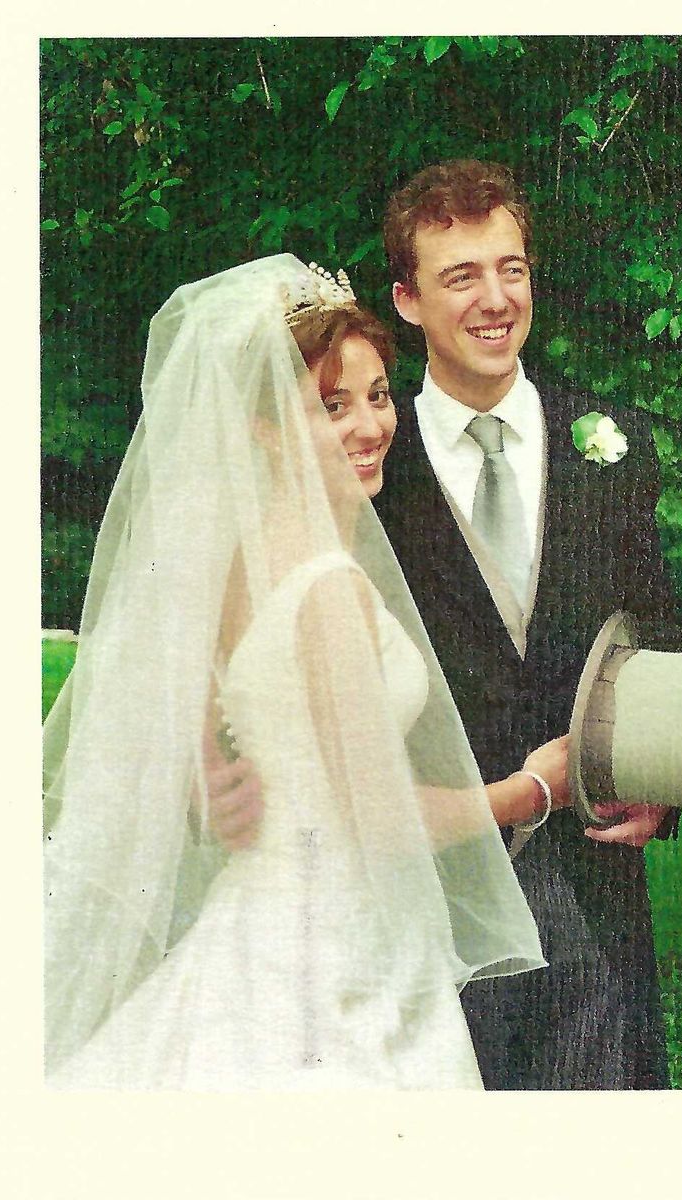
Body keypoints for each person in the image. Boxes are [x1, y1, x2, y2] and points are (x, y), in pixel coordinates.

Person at [42, 254, 551, 1091]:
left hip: (268, 913)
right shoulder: (329, 589)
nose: (370, 425)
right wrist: (537, 789)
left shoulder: (233, 565)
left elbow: (189, 700)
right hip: (333, 949)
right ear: (267, 427)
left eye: (380, 395)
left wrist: (215, 771)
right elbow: (378, 819)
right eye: (332, 406)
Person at [373, 159, 682, 1090]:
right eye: (460, 275)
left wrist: (658, 788)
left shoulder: (612, 438)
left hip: (597, 887)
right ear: (408, 300)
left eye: (511, 268)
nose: (495, 298)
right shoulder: (366, 469)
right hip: (436, 893)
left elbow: (653, 630)